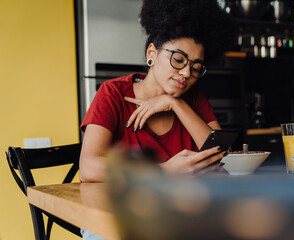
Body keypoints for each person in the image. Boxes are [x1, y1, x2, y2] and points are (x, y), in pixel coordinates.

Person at [79, 0, 237, 181]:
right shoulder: (113, 93)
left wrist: (175, 103)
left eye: (196, 68)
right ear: (151, 54)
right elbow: (88, 168)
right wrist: (164, 170)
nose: (186, 73)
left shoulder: (191, 96)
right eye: (178, 59)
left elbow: (223, 155)